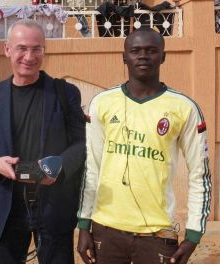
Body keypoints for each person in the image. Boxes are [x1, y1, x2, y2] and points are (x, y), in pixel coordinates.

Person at [77, 28, 212, 264]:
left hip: (157, 234)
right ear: (124, 57)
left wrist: (193, 235)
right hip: (106, 231)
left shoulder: (184, 107)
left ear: (163, 56)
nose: (143, 56)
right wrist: (84, 224)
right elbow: (91, 167)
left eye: (151, 51)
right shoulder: (102, 103)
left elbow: (200, 174)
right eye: (135, 51)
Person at [0, 19, 86, 264]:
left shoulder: (64, 93)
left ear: (44, 51)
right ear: (7, 49)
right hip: (7, 204)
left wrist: (59, 165)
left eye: (37, 49)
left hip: (52, 203)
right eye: (21, 48)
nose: (29, 56)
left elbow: (81, 143)